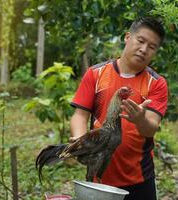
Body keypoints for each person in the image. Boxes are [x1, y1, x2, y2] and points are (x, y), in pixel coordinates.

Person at [69, 16, 168, 200]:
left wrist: (140, 119)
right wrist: (79, 139)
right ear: (127, 37)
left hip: (139, 178)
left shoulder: (157, 83)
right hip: (98, 176)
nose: (144, 49)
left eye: (152, 47)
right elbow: (80, 115)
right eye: (141, 41)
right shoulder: (96, 74)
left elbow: (151, 127)